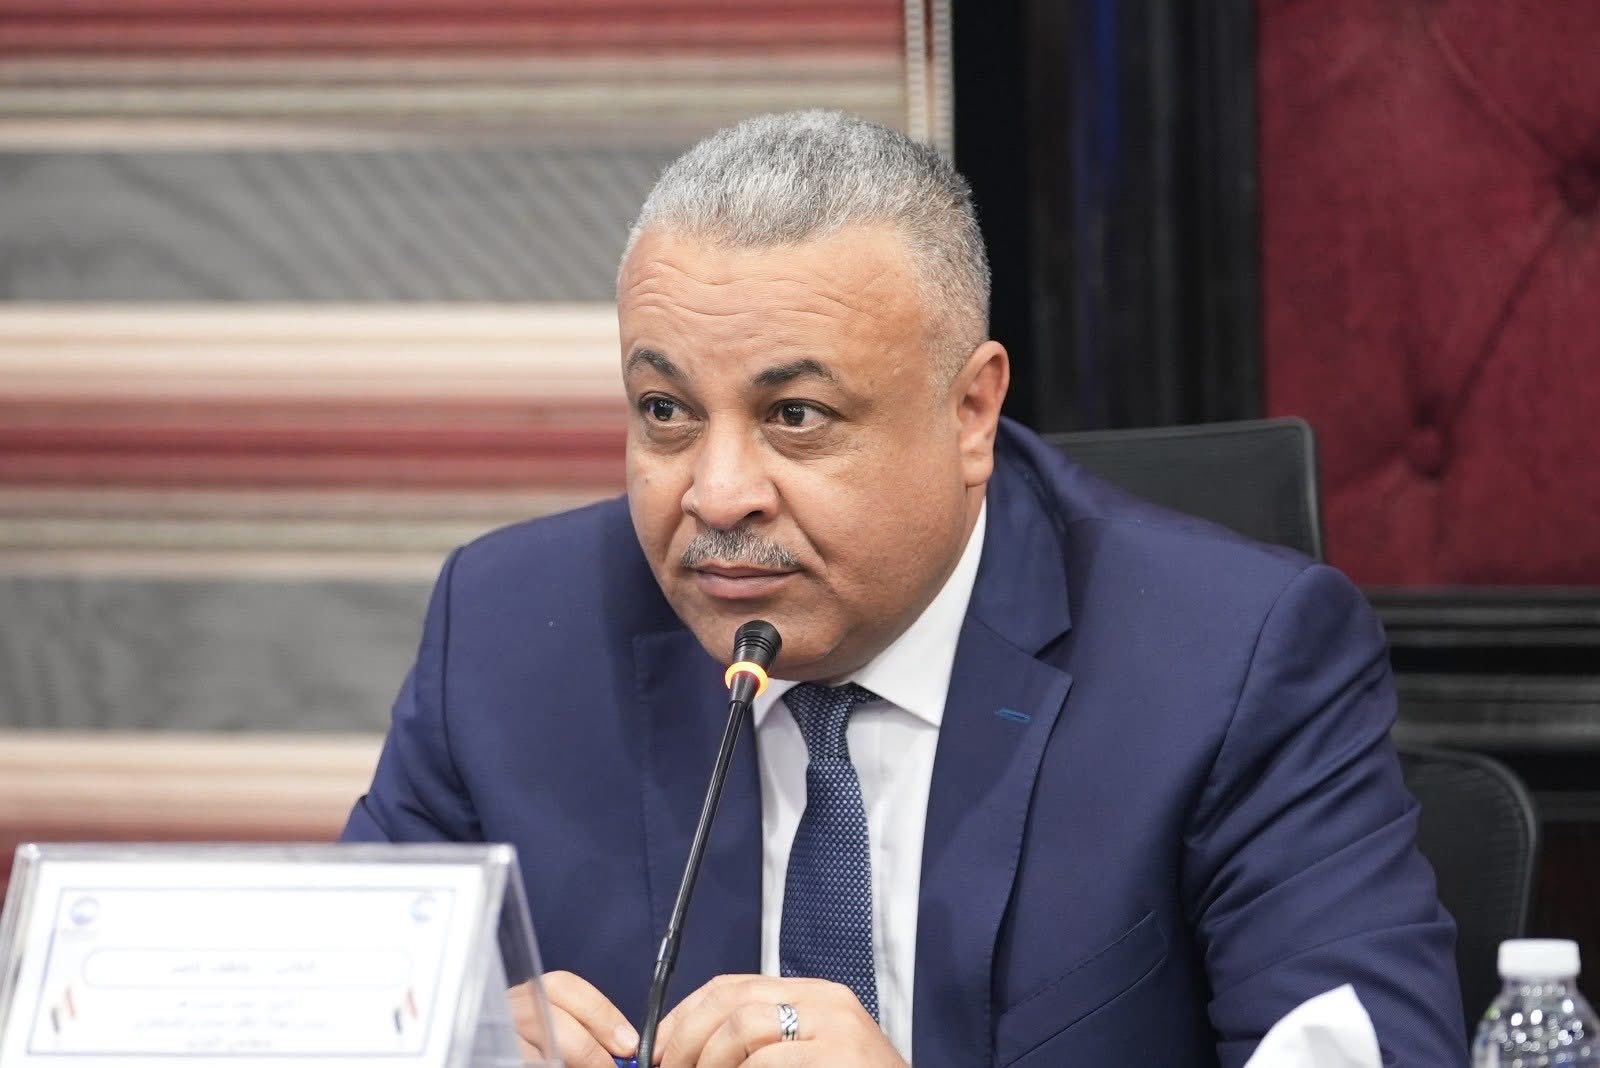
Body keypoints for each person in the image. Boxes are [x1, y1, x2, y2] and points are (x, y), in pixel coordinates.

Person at [342, 110, 1466, 1066]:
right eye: (667, 413)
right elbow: (314, 1004)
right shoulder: (509, 631)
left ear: (971, 412)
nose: (717, 494)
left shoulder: (1230, 659)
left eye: (795, 416)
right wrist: (431, 1042)